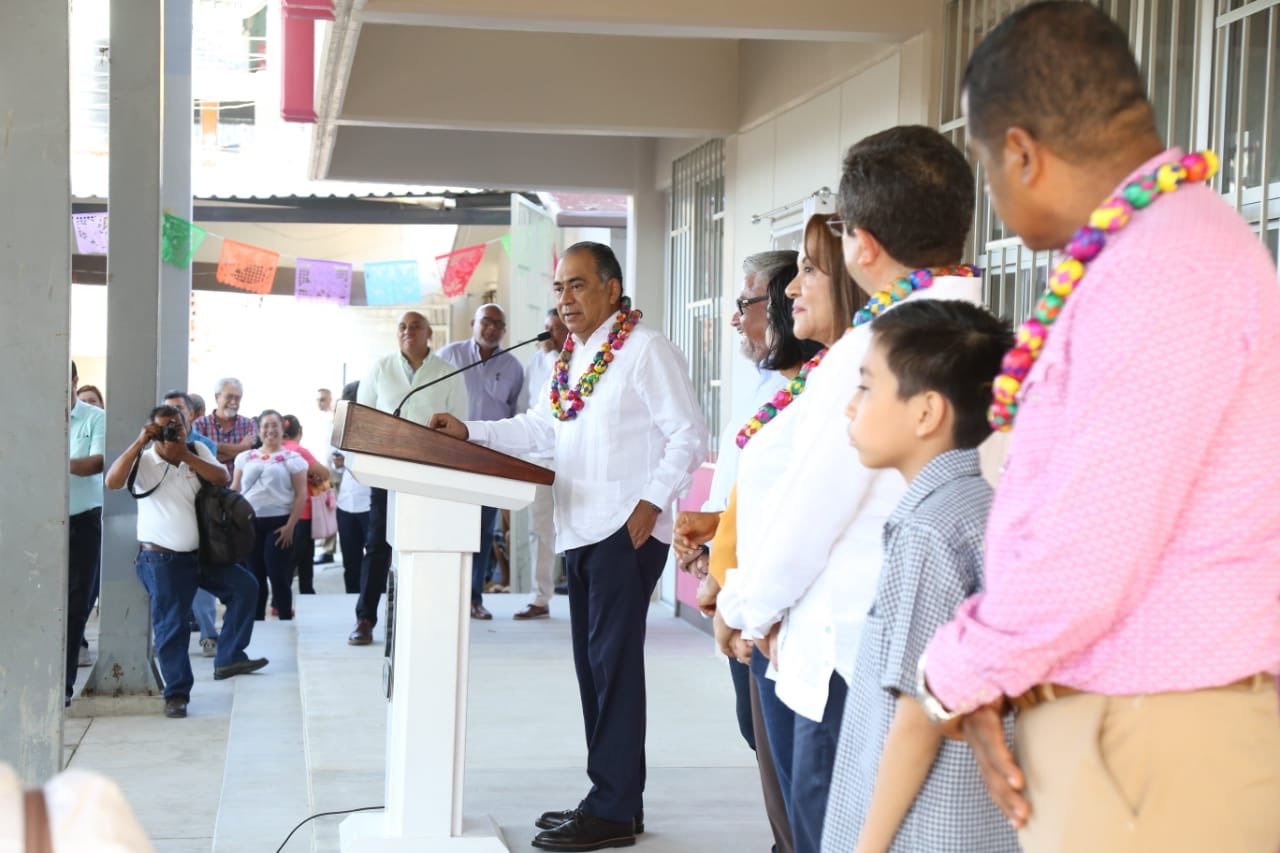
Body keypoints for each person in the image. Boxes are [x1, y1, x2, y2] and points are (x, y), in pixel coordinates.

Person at [915, 5, 1280, 851]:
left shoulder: (1163, 269)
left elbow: (1089, 550)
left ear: (1020, 151)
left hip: (1157, 745)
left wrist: (955, 673)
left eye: (984, 163)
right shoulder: (1155, 249)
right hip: (1137, 733)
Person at [717, 126, 985, 853]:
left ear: (861, 247)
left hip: (844, 660)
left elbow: (811, 510)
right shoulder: (986, 330)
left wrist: (744, 606)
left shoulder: (875, 348)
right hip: (938, 655)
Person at [430, 242, 707, 852]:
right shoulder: (570, 360)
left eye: (577, 286)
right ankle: (615, 800)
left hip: (623, 532)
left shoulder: (645, 350)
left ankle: (610, 806)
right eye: (559, 289)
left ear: (612, 288)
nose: (565, 300)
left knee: (615, 670)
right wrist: (469, 430)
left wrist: (652, 501)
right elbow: (540, 429)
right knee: (593, 670)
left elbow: (689, 434)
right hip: (579, 526)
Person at [819, 300, 1017, 853]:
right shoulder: (975, 505)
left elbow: (917, 716)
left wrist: (866, 846)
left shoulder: (929, 529)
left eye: (866, 387)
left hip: (925, 828)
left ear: (926, 412)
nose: (850, 409)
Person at [673, 249, 816, 853]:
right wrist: (714, 537)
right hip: (739, 579)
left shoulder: (818, 391)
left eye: (746, 302)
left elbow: (797, 508)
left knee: (795, 766)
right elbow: (749, 488)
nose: (735, 318)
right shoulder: (765, 382)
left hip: (769, 600)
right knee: (760, 736)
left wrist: (734, 594)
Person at [103, 405, 266, 718]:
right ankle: (176, 694)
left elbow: (222, 477)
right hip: (161, 559)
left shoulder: (197, 449)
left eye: (175, 427)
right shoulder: (144, 459)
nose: (171, 434)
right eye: (163, 429)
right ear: (151, 431)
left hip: (201, 554)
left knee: (245, 587)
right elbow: (112, 482)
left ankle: (229, 656)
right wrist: (140, 443)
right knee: (173, 625)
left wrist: (186, 455)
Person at [351, 311, 469, 645]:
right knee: (377, 544)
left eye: (415, 326)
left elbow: (461, 424)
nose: (408, 331)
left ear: (429, 333)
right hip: (388, 472)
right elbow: (365, 419)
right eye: (402, 327)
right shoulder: (380, 368)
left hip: (430, 476)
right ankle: (365, 618)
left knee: (427, 544)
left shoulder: (447, 373)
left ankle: (425, 620)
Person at [438, 304, 525, 620]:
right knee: (448, 529)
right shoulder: (449, 356)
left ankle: (474, 598)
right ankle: (446, 596)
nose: (492, 328)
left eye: (499, 324)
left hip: (489, 459)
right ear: (474, 323)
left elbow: (517, 415)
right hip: (450, 457)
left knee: (481, 532)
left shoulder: (513, 366)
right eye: (486, 322)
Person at [511, 308, 569, 620]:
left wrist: (550, 355)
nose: (550, 334)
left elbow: (561, 385)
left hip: (572, 460)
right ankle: (540, 597)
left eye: (557, 328)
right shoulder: (536, 361)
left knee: (578, 526)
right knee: (540, 529)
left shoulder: (577, 358)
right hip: (539, 459)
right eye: (547, 328)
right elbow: (525, 406)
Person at [232, 410, 307, 622]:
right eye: (265, 426)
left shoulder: (293, 459)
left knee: (278, 575)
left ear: (283, 430)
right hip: (249, 524)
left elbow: (301, 494)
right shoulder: (245, 457)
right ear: (258, 430)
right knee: (254, 577)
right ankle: (255, 623)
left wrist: (291, 526)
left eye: (274, 426)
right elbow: (235, 489)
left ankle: (284, 618)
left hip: (280, 524)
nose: (270, 431)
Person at [162, 390, 219, 658]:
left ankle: (209, 635)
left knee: (203, 586)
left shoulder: (203, 445)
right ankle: (171, 643)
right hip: (166, 529)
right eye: (168, 410)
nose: (174, 416)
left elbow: (213, 477)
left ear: (192, 414)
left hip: (198, 525)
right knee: (169, 592)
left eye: (179, 410)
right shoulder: (154, 447)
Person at [67, 361, 106, 705]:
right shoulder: (31, 415)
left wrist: (53, 460)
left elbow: (95, 463)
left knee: (76, 605)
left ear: (74, 381)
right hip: (38, 523)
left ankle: (63, 687)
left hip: (81, 522)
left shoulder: (95, 418)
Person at [281, 414, 331, 596]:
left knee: (289, 560)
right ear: (299, 432)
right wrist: (314, 475)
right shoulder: (299, 451)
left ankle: (282, 600)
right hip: (303, 514)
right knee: (302, 560)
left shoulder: (276, 450)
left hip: (283, 514)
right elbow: (324, 473)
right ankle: (301, 595)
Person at [333, 382, 372, 595]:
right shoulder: (339, 427)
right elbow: (334, 464)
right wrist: (338, 463)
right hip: (345, 505)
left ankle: (370, 603)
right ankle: (352, 601)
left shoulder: (374, 427)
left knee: (374, 560)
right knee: (350, 561)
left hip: (369, 503)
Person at [192, 378, 256, 479]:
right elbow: (199, 458)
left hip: (240, 490)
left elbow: (248, 455)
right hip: (209, 487)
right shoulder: (200, 424)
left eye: (237, 398)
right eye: (229, 397)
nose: (233, 402)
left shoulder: (248, 424)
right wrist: (240, 448)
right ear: (217, 397)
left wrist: (211, 449)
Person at [311, 387, 338, 565]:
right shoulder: (316, 420)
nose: (320, 403)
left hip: (335, 473)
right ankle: (327, 548)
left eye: (323, 399)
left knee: (333, 509)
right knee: (325, 509)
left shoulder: (334, 419)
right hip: (320, 472)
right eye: (318, 399)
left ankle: (329, 549)